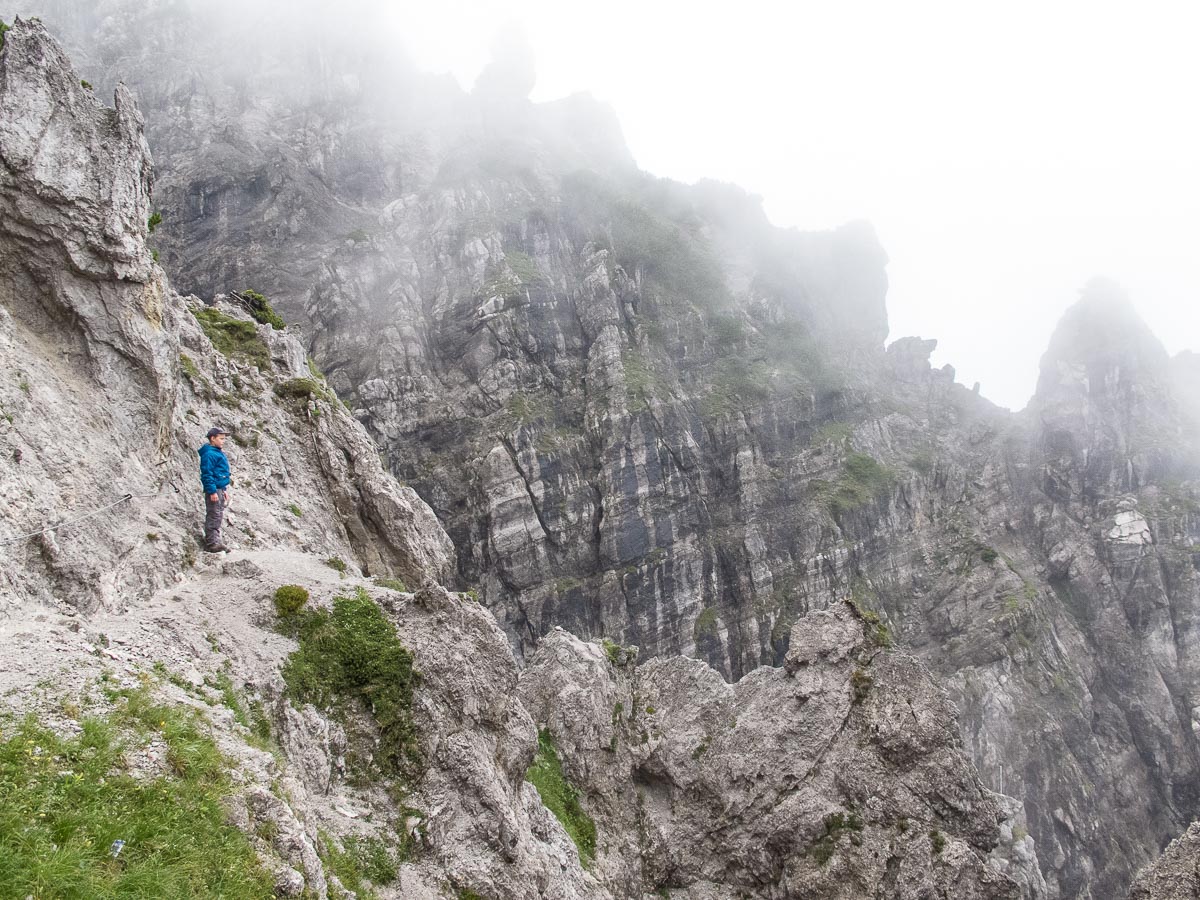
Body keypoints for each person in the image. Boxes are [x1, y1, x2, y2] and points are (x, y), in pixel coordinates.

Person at [198, 426, 233, 553]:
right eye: (221, 438)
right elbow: (207, 474)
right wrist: (212, 491)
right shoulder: (209, 454)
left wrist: (223, 489)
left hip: (218, 488)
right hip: (214, 490)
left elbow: (219, 473)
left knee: (218, 514)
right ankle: (212, 543)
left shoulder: (216, 452)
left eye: (224, 439)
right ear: (212, 438)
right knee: (214, 514)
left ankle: (215, 541)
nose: (223, 441)